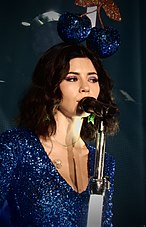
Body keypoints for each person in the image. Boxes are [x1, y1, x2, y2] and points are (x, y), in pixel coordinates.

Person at [0, 42, 119, 226]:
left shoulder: (102, 162)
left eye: (93, 79)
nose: (85, 87)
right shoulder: (16, 146)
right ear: (52, 86)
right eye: (72, 78)